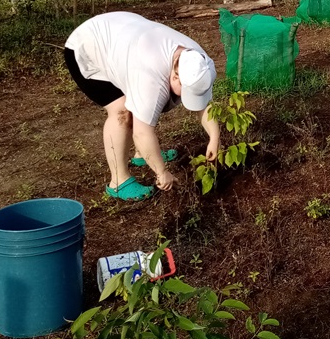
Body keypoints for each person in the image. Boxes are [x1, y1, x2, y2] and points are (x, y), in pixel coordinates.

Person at [64, 11, 220, 201]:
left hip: (123, 33)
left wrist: (214, 137)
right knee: (122, 111)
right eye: (185, 90)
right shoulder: (149, 77)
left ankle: (142, 154)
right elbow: (142, 132)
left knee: (143, 106)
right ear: (175, 75)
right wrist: (162, 172)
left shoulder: (200, 62)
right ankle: (119, 181)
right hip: (87, 47)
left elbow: (204, 105)